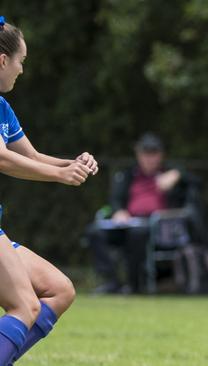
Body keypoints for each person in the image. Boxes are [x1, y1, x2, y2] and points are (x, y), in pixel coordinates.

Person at [0, 16, 98, 365]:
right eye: (20, 62)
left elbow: (32, 156)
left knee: (58, 290)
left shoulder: (2, 108)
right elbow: (3, 159)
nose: (21, 71)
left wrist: (73, 164)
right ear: (2, 60)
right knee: (24, 305)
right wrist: (60, 177)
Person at [86, 132, 208, 294]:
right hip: (127, 224)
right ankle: (112, 281)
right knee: (95, 232)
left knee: (137, 234)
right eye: (146, 154)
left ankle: (134, 285)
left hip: (159, 228)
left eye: (154, 154)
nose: (150, 159)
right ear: (138, 154)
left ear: (161, 155)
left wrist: (178, 174)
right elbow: (115, 200)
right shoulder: (128, 175)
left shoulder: (170, 173)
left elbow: (198, 184)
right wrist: (118, 211)